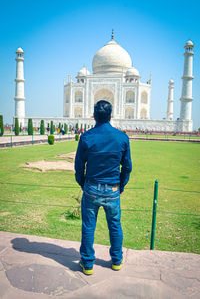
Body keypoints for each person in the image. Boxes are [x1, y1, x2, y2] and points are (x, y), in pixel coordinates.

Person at [75, 100, 132, 275]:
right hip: (112, 189)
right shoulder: (121, 137)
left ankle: (88, 264)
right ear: (110, 116)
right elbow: (127, 167)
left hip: (91, 187)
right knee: (115, 225)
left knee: (88, 226)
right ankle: (116, 260)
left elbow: (79, 166)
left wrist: (83, 183)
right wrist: (120, 185)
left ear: (94, 116)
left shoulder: (86, 137)